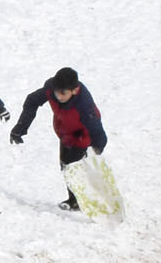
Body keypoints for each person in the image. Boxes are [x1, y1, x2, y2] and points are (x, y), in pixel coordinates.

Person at [11, 66, 108, 212]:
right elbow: (32, 101)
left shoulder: (84, 105)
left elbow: (97, 131)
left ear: (74, 90)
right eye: (57, 92)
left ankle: (85, 201)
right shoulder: (51, 89)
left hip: (82, 135)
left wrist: (96, 149)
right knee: (65, 167)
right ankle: (76, 200)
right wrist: (20, 128)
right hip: (65, 133)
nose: (58, 96)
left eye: (63, 93)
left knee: (72, 167)